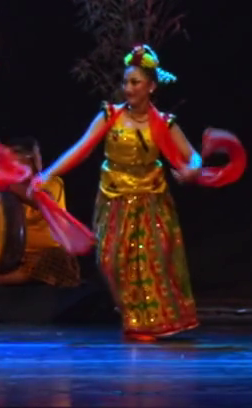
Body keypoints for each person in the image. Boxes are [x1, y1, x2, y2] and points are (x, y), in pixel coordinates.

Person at [38, 45, 204, 341]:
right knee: (109, 260)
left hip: (151, 200)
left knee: (149, 264)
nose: (128, 88)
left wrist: (192, 170)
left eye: (135, 82)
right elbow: (81, 148)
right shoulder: (110, 115)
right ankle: (130, 315)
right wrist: (48, 173)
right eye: (126, 82)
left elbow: (194, 157)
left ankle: (143, 323)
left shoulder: (163, 123)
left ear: (151, 87)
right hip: (113, 199)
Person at [0, 137, 81, 288]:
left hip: (42, 254)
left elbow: (44, 203)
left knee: (57, 259)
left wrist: (7, 184)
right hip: (10, 257)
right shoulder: (0, 191)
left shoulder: (51, 183)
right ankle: (4, 276)